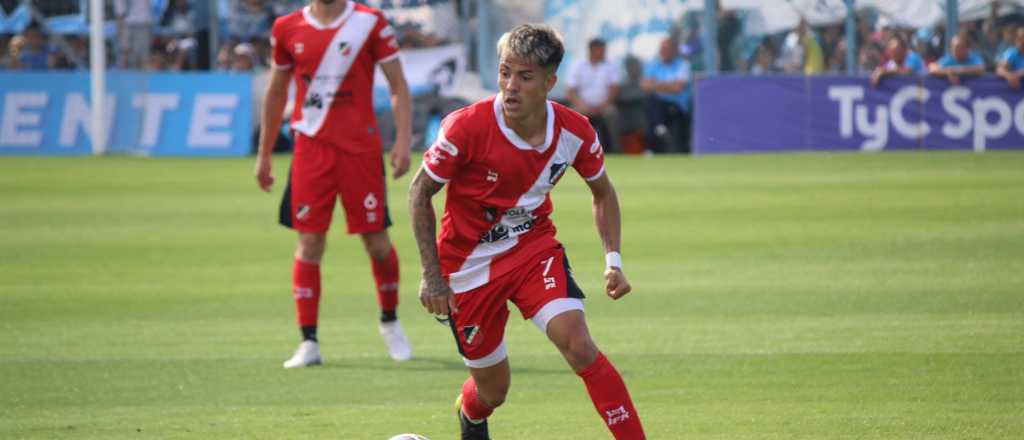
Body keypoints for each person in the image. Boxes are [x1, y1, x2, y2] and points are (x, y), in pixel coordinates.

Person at [408, 23, 647, 440]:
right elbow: (419, 193)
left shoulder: (575, 132)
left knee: (579, 346)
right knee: (493, 391)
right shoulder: (464, 127)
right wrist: (432, 275)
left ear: (550, 82)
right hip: (466, 267)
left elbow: (603, 193)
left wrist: (614, 261)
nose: (510, 86)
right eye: (504, 73)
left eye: (524, 76)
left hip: (532, 251)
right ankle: (472, 413)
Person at [254, 0, 414, 368]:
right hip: (311, 150)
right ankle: (308, 341)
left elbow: (398, 85)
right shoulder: (286, 28)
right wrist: (264, 154)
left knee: (376, 241)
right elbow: (277, 91)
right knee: (310, 240)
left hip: (360, 149)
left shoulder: (369, 22)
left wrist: (403, 141)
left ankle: (389, 321)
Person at [565, 38, 621, 152]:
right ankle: (572, 151)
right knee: (572, 116)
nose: (603, 53)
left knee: (612, 114)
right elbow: (571, 91)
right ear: (592, 50)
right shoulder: (577, 65)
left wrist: (603, 105)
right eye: (600, 50)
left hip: (604, 105)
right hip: (582, 105)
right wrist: (583, 106)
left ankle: (614, 150)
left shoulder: (611, 65)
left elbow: (614, 89)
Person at [642, 38, 692, 153]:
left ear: (674, 50)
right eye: (662, 49)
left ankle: (654, 141)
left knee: (652, 105)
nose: (664, 52)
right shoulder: (653, 64)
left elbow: (677, 88)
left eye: (667, 49)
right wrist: (668, 85)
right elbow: (644, 85)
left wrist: (655, 84)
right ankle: (660, 128)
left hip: (676, 106)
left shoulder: (683, 65)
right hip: (657, 104)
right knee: (650, 101)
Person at [113, 0, 153, 69]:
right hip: (127, 23)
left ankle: (142, 77)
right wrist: (120, 29)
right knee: (124, 54)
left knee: (142, 56)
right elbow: (119, 11)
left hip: (143, 22)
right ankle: (123, 75)